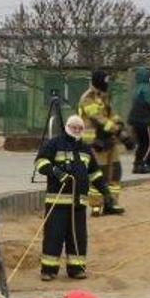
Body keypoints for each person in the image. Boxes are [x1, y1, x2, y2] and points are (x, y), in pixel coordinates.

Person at [35, 116, 102, 280]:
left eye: (80, 128)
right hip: (57, 202)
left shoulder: (86, 149)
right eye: (74, 127)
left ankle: (76, 269)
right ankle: (48, 270)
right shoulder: (54, 143)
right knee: (53, 236)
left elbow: (94, 172)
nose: (77, 130)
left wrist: (104, 191)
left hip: (78, 203)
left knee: (78, 237)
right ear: (67, 127)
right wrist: (57, 172)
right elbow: (40, 162)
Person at [77, 70, 131, 216]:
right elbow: (99, 118)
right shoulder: (87, 98)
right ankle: (96, 204)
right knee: (99, 173)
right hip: (96, 142)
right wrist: (119, 132)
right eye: (105, 81)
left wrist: (123, 130)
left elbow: (112, 115)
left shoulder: (105, 96)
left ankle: (111, 203)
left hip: (109, 140)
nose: (107, 84)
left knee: (115, 171)